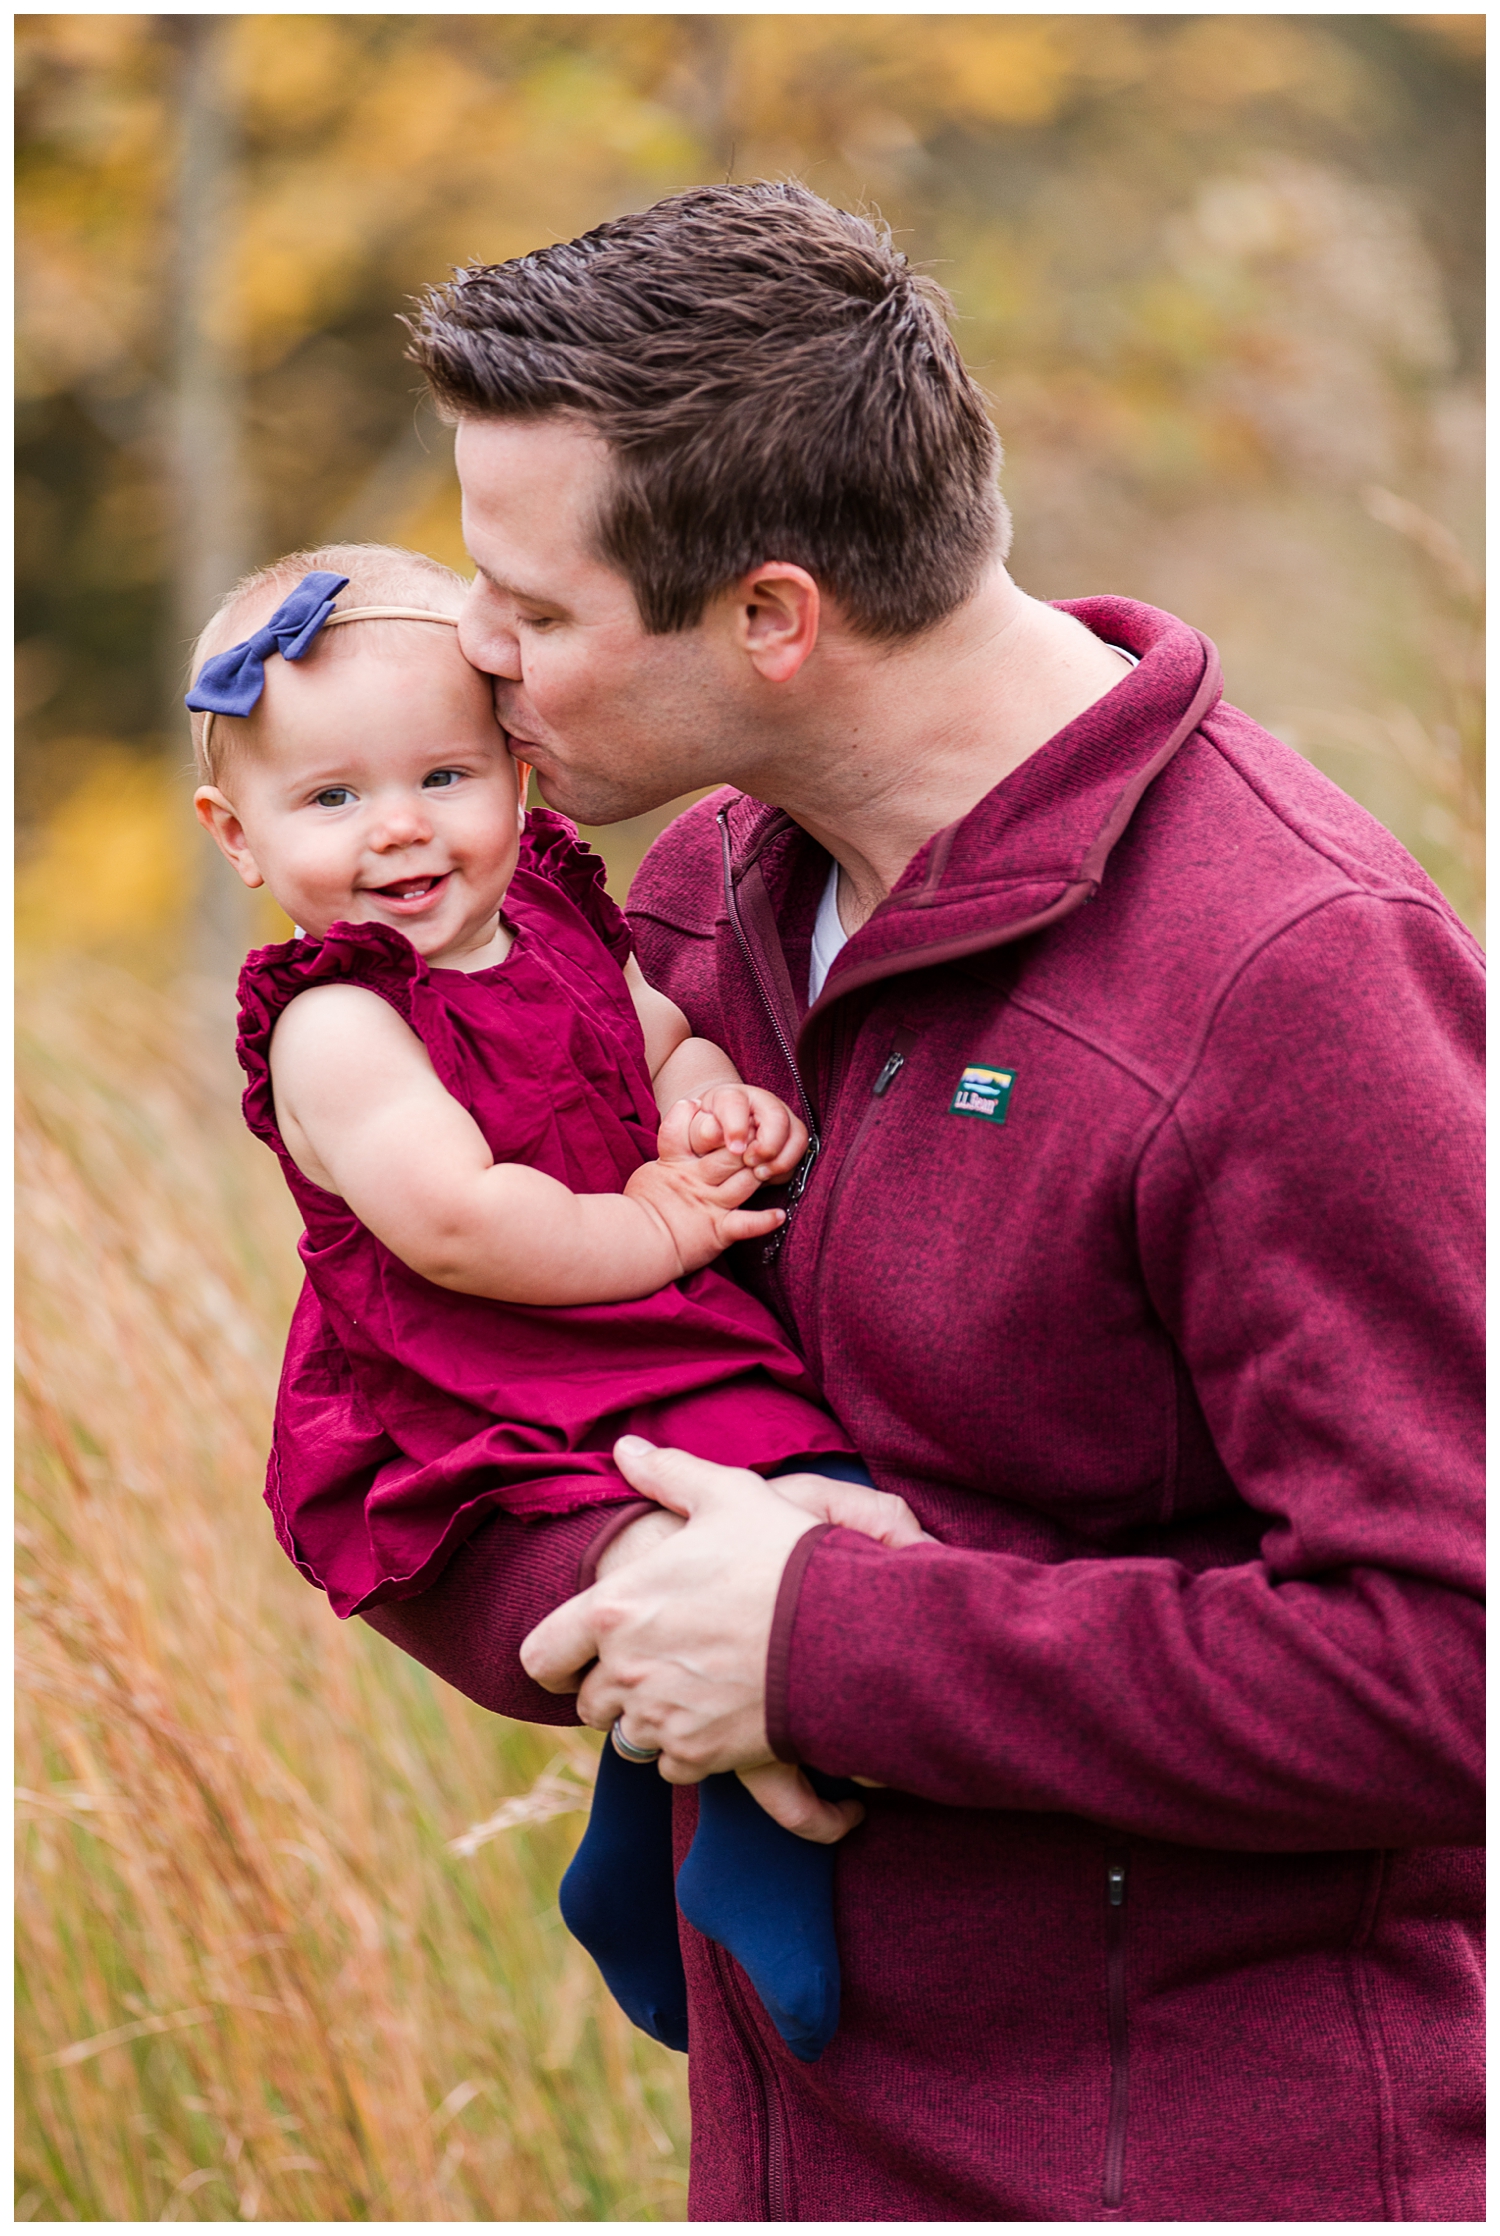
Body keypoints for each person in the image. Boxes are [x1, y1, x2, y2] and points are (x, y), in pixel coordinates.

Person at [398, 181, 1483, 2222]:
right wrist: (644, 1574)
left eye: (531, 609)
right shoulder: (702, 892)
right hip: (802, 2156)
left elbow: (1450, 1663)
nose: (474, 656)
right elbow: (433, 1382)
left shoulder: (1294, 975)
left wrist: (830, 1641)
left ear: (773, 616)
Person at [184, 542, 936, 2069]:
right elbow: (458, 1224)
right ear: (238, 836)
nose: (399, 829)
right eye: (329, 800)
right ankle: (734, 1857)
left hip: (632, 1329)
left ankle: (636, 1850)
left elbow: (656, 1037)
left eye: (444, 775)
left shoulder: (558, 919)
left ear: (518, 772)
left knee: (810, 1513)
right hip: (491, 1372)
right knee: (785, 1539)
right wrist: (659, 1224)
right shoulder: (341, 1021)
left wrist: (711, 1112)